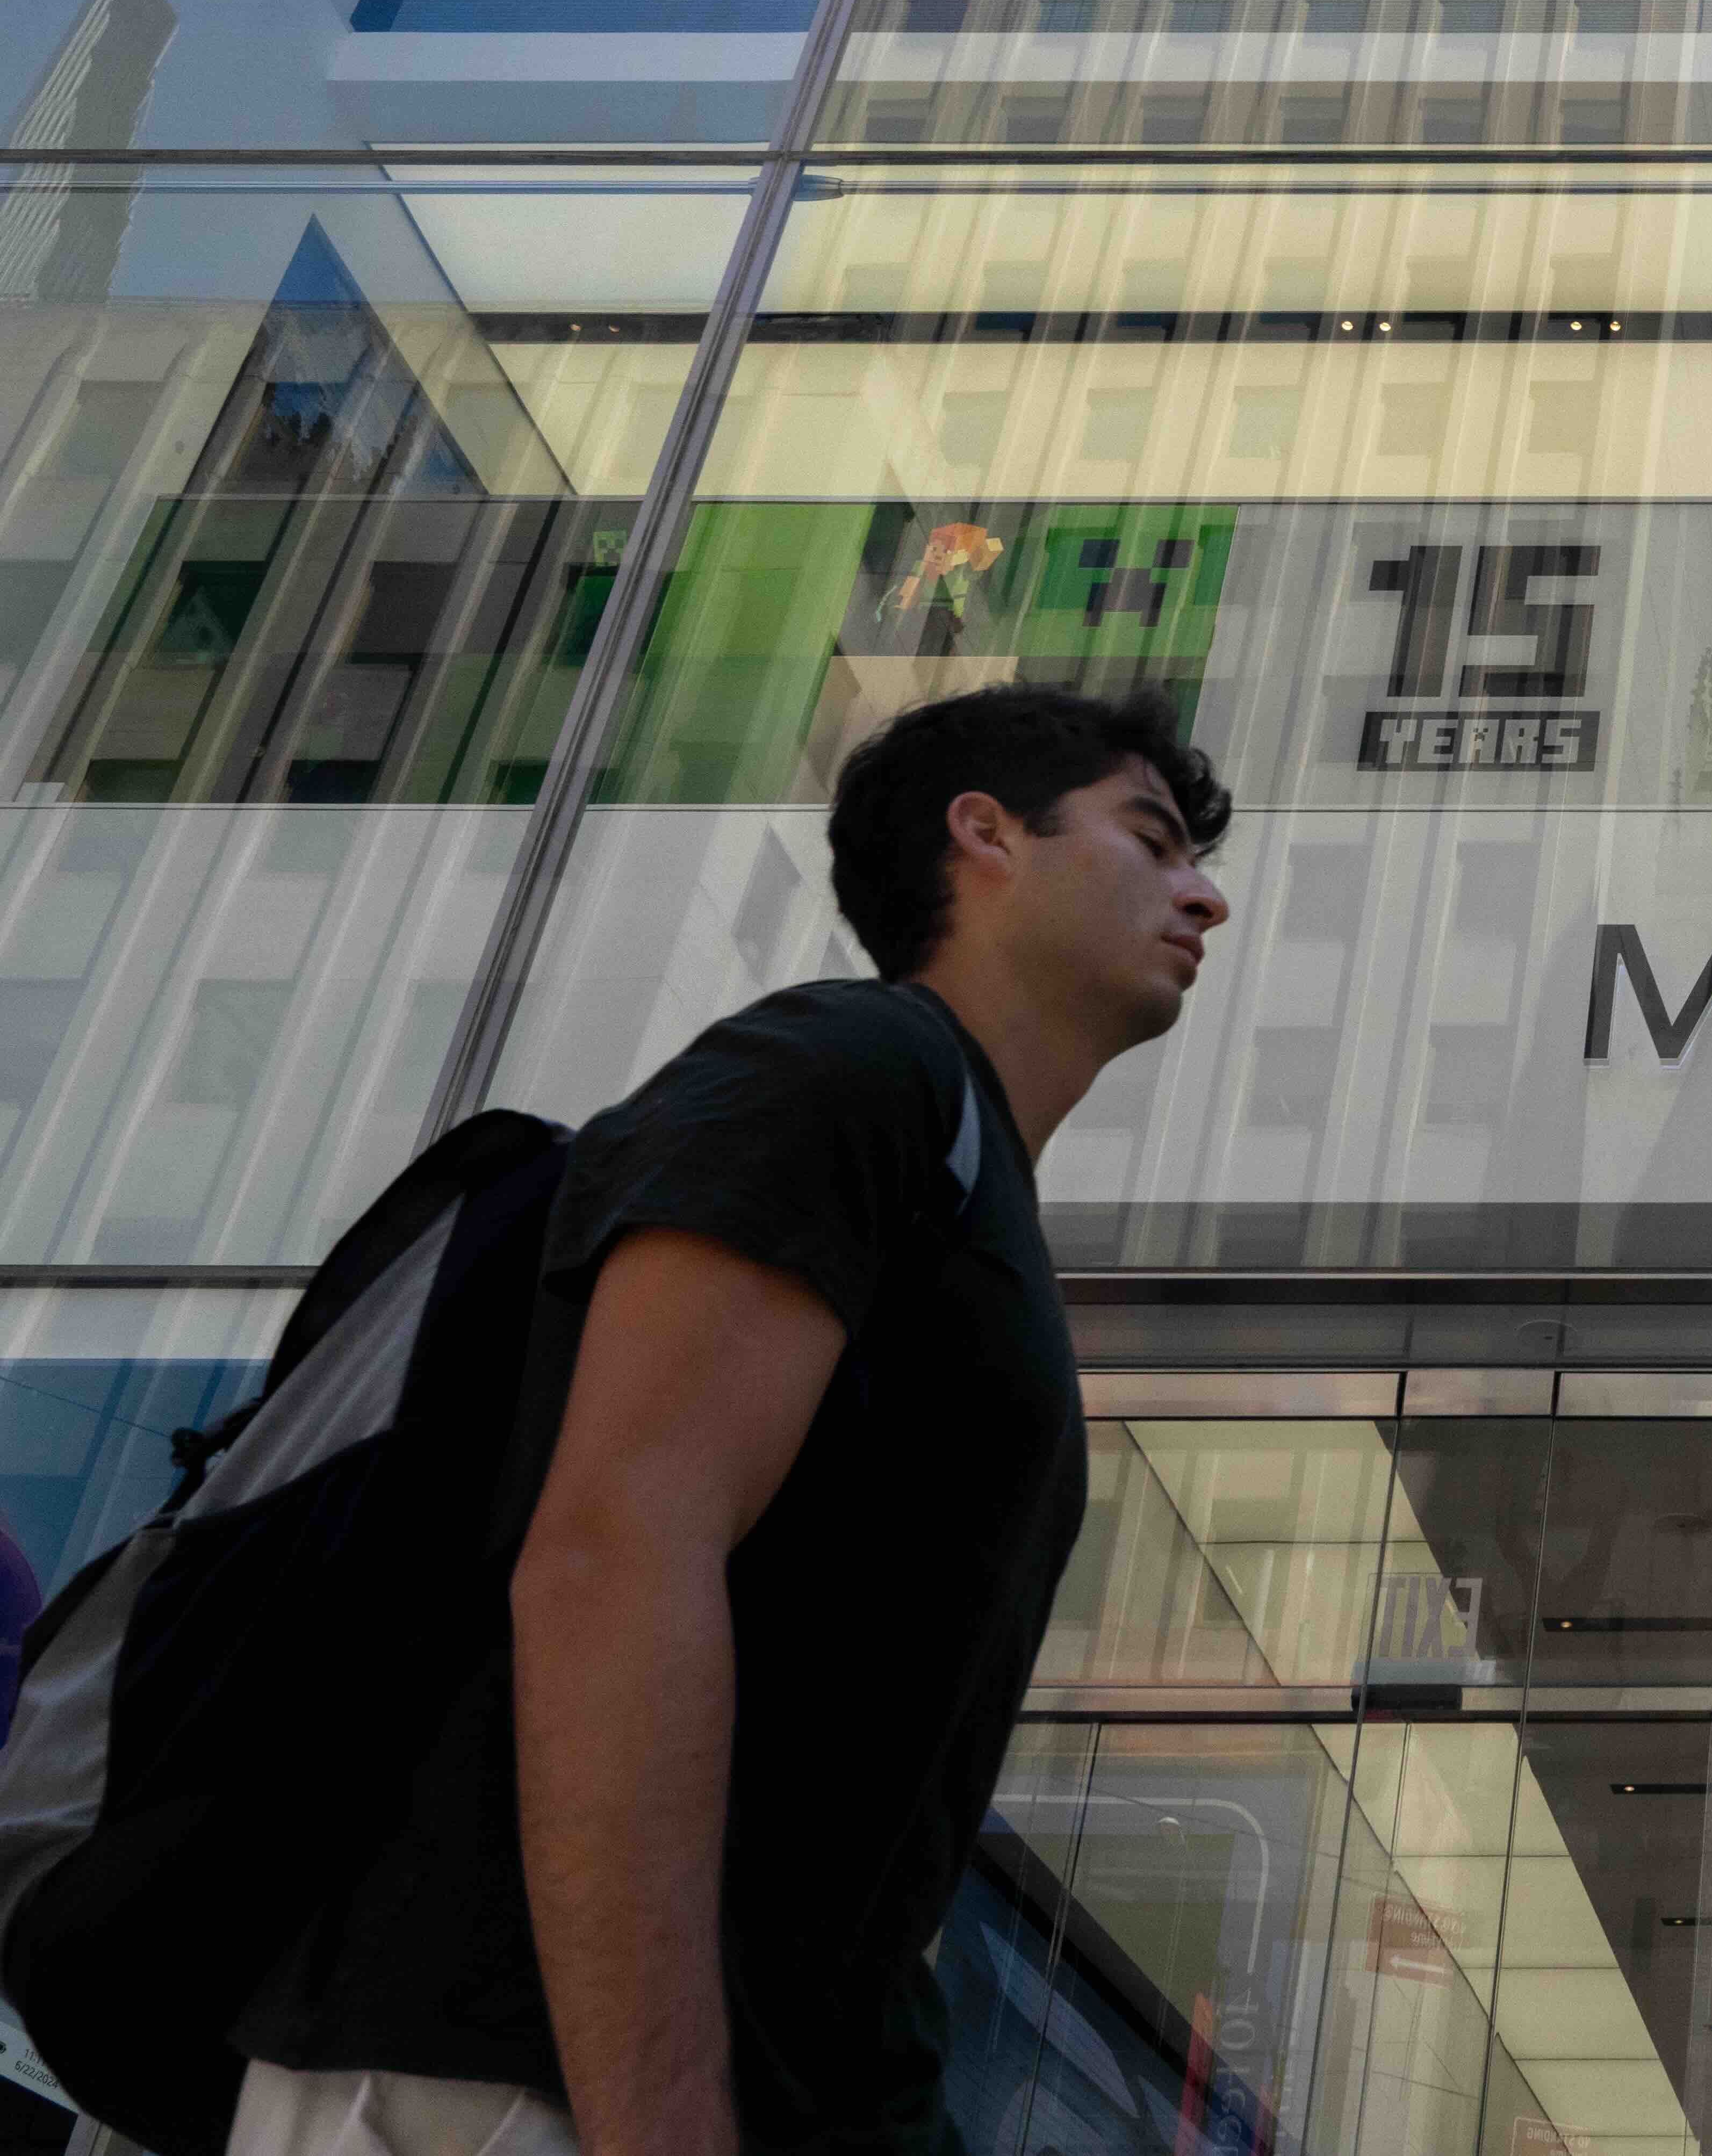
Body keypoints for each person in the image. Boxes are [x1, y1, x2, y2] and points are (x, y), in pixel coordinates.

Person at [229, 683, 1234, 2156]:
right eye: (1151, 840)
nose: (1202, 896)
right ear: (985, 837)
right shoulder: (851, 1072)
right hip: (513, 2087)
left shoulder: (958, 1168)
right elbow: (613, 1557)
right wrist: (665, 2121)